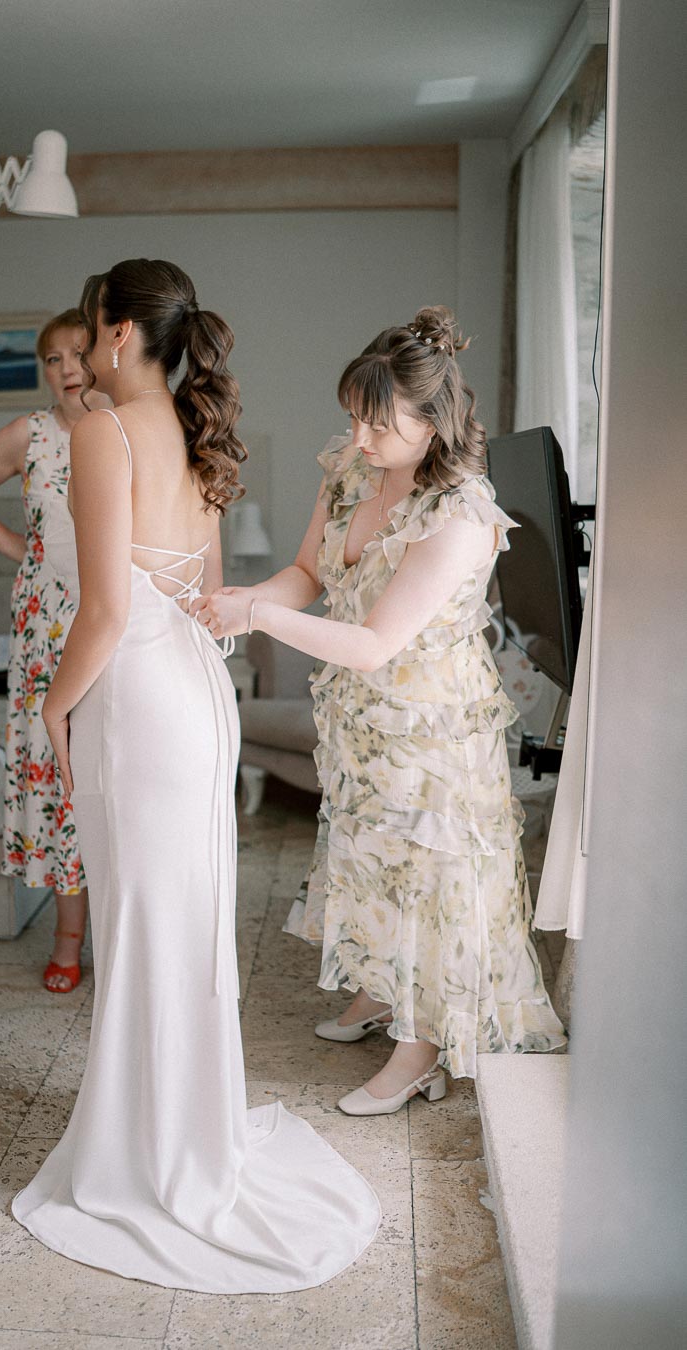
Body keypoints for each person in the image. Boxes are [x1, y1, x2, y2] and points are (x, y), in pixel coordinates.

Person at [11, 259, 380, 1292]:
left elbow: (103, 613)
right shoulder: (190, 430)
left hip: (134, 699)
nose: (82, 353)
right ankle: (184, 1138)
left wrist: (51, 707)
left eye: (89, 332)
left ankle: (151, 1158)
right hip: (196, 694)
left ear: (120, 333)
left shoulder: (101, 430)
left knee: (145, 926)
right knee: (182, 924)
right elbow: (207, 595)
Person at [193, 306, 567, 1115]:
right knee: (368, 860)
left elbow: (371, 642)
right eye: (353, 420)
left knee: (425, 880)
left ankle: (419, 1052)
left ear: (432, 422)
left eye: (378, 424)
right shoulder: (354, 471)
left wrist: (253, 619)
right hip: (359, 718)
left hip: (429, 728)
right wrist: (240, 598)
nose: (360, 439)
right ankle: (378, 991)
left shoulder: (462, 514)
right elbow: (306, 570)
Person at [0, 309, 107, 992]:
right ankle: (68, 942)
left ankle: (125, 943)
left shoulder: (129, 430)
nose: (65, 369)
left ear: (103, 357)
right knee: (60, 782)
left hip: (114, 621)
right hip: (45, 631)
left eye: (75, 354)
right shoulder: (29, 435)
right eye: (51, 359)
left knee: (111, 778)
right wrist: (18, 550)